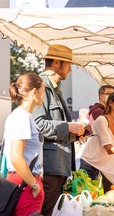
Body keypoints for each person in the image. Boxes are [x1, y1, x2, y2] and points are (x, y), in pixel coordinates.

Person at [32, 44, 85, 216]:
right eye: (68, 65)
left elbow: (57, 128)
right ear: (56, 63)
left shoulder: (55, 89)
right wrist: (68, 127)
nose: (70, 70)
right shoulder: (40, 86)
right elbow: (38, 125)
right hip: (49, 167)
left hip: (59, 166)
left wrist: (77, 133)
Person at [4, 73, 45, 215]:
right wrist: (34, 185)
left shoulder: (22, 116)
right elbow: (16, 157)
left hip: (24, 181)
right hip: (25, 183)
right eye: (43, 91)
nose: (43, 96)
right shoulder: (22, 117)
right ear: (35, 92)